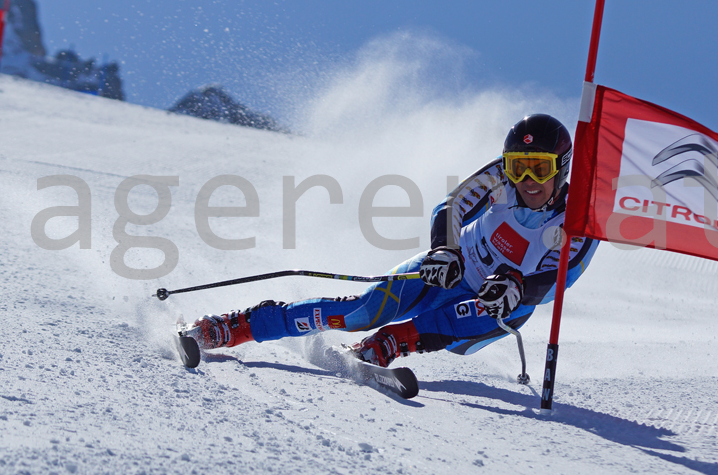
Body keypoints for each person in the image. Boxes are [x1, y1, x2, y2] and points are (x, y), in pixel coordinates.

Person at [182, 114, 598, 368]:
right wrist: (445, 249)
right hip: (452, 271)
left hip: (499, 303)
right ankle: (237, 326)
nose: (527, 180)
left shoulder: (577, 219)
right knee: (362, 310)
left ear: (561, 168)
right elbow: (451, 207)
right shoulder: (499, 177)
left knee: (488, 307)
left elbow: (562, 277)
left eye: (539, 169)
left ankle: (387, 344)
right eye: (518, 167)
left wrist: (520, 286)